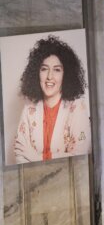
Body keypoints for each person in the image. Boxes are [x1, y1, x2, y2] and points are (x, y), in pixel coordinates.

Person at [14, 35, 91, 164]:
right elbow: (19, 153)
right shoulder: (29, 108)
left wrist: (38, 157)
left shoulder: (77, 107)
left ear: (65, 75)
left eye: (57, 70)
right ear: (36, 73)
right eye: (44, 69)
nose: (49, 76)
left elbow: (80, 155)